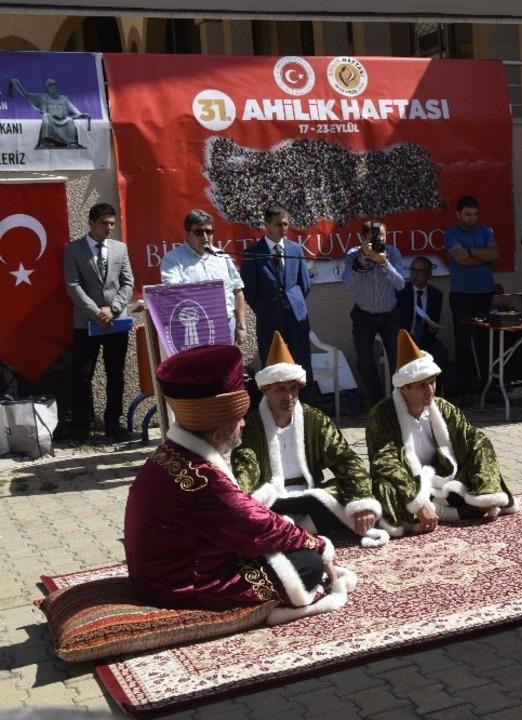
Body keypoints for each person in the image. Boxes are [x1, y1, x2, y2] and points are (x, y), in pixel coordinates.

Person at [124, 344, 358, 624]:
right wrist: (319, 546)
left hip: (164, 570)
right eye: (239, 420)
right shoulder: (202, 477)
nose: (244, 426)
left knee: (288, 543)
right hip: (180, 584)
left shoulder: (172, 453)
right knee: (306, 565)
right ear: (220, 430)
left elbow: (244, 513)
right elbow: (255, 524)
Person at [232, 332, 388, 547]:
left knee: (353, 493)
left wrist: (360, 501)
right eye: (280, 389)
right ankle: (293, 529)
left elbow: (346, 459)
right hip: (274, 499)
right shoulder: (252, 426)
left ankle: (288, 531)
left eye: (293, 388)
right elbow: (245, 467)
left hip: (311, 494)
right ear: (265, 390)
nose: (288, 396)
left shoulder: (314, 419)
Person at [366, 330, 516, 536]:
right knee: (384, 488)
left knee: (480, 443)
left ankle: (479, 501)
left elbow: (472, 439)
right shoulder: (382, 415)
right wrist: (418, 503)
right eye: (422, 385)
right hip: (409, 481)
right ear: (404, 388)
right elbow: (385, 462)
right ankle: (449, 511)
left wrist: (484, 490)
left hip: (442, 475)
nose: (431, 390)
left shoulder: (444, 408)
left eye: (433, 382)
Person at [62, 202, 135, 443]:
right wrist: (96, 312)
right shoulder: (73, 250)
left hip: (116, 322)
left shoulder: (120, 248)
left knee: (116, 373)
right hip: (86, 323)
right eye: (104, 224)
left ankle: (113, 423)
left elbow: (127, 282)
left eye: (112, 224)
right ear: (91, 223)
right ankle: (82, 425)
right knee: (83, 374)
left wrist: (113, 310)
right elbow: (73, 286)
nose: (109, 228)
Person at [241, 206, 314, 397]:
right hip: (269, 320)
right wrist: (267, 307)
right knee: (273, 367)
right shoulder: (253, 253)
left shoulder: (295, 249)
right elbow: (250, 291)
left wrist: (293, 303)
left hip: (296, 318)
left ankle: (306, 407)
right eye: (278, 225)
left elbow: (304, 284)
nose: (283, 229)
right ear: (266, 225)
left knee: (302, 365)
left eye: (286, 224)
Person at [341, 221, 405, 406]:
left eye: (382, 236)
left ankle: (397, 403)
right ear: (363, 239)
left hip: (389, 315)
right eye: (373, 237)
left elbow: (400, 284)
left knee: (397, 361)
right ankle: (377, 403)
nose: (379, 240)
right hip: (364, 316)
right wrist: (362, 260)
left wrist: (384, 262)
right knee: (365, 362)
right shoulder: (353, 255)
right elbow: (346, 285)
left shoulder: (392, 253)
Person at [160, 209, 247, 344]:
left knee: (226, 365)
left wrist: (241, 326)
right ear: (186, 234)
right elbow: (174, 293)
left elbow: (238, 291)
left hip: (226, 323)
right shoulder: (173, 259)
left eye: (209, 232)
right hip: (196, 328)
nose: (205, 237)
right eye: (199, 232)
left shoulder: (222, 256)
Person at [443, 196, 499, 397]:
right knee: (463, 343)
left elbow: (495, 255)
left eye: (475, 214)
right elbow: (461, 259)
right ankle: (466, 391)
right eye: (467, 214)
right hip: (462, 295)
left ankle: (489, 388)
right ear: (458, 214)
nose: (472, 218)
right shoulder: (451, 234)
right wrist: (482, 258)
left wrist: (470, 252)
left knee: (486, 343)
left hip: (486, 293)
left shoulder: (486, 231)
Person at [397, 255, 449, 371]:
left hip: (425, 337)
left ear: (429, 274)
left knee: (441, 353)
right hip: (404, 338)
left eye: (420, 271)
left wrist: (433, 329)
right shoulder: (400, 291)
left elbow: (434, 325)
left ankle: (435, 388)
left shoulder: (436, 295)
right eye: (413, 270)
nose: (415, 274)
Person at [7, 77, 90, 149]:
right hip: (51, 119)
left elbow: (73, 108)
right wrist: (15, 82)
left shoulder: (64, 98)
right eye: (50, 87)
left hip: (64, 119)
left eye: (53, 86)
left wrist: (80, 114)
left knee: (70, 120)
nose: (52, 88)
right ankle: (46, 141)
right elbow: (27, 95)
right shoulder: (42, 97)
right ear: (47, 89)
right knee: (45, 116)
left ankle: (72, 143)